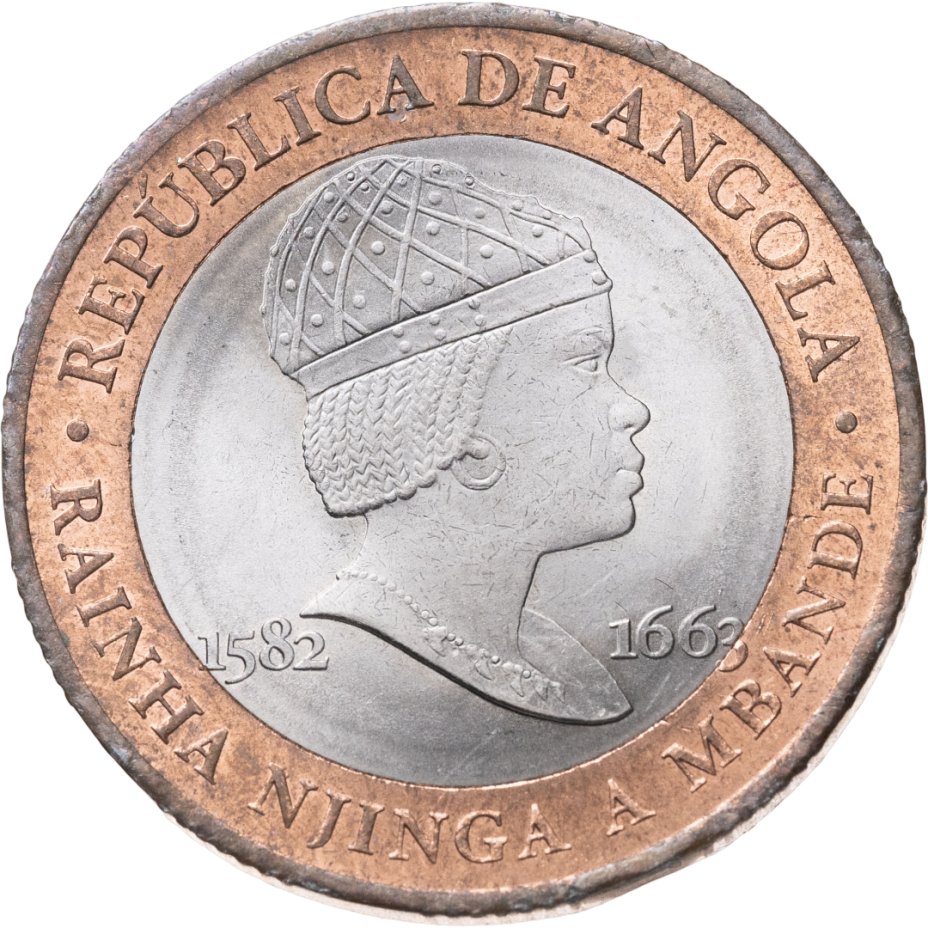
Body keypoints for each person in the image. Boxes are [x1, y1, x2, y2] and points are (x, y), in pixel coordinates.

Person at [261, 155, 649, 724]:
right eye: (586, 363)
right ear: (462, 440)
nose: (633, 411)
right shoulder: (362, 662)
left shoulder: (551, 655)